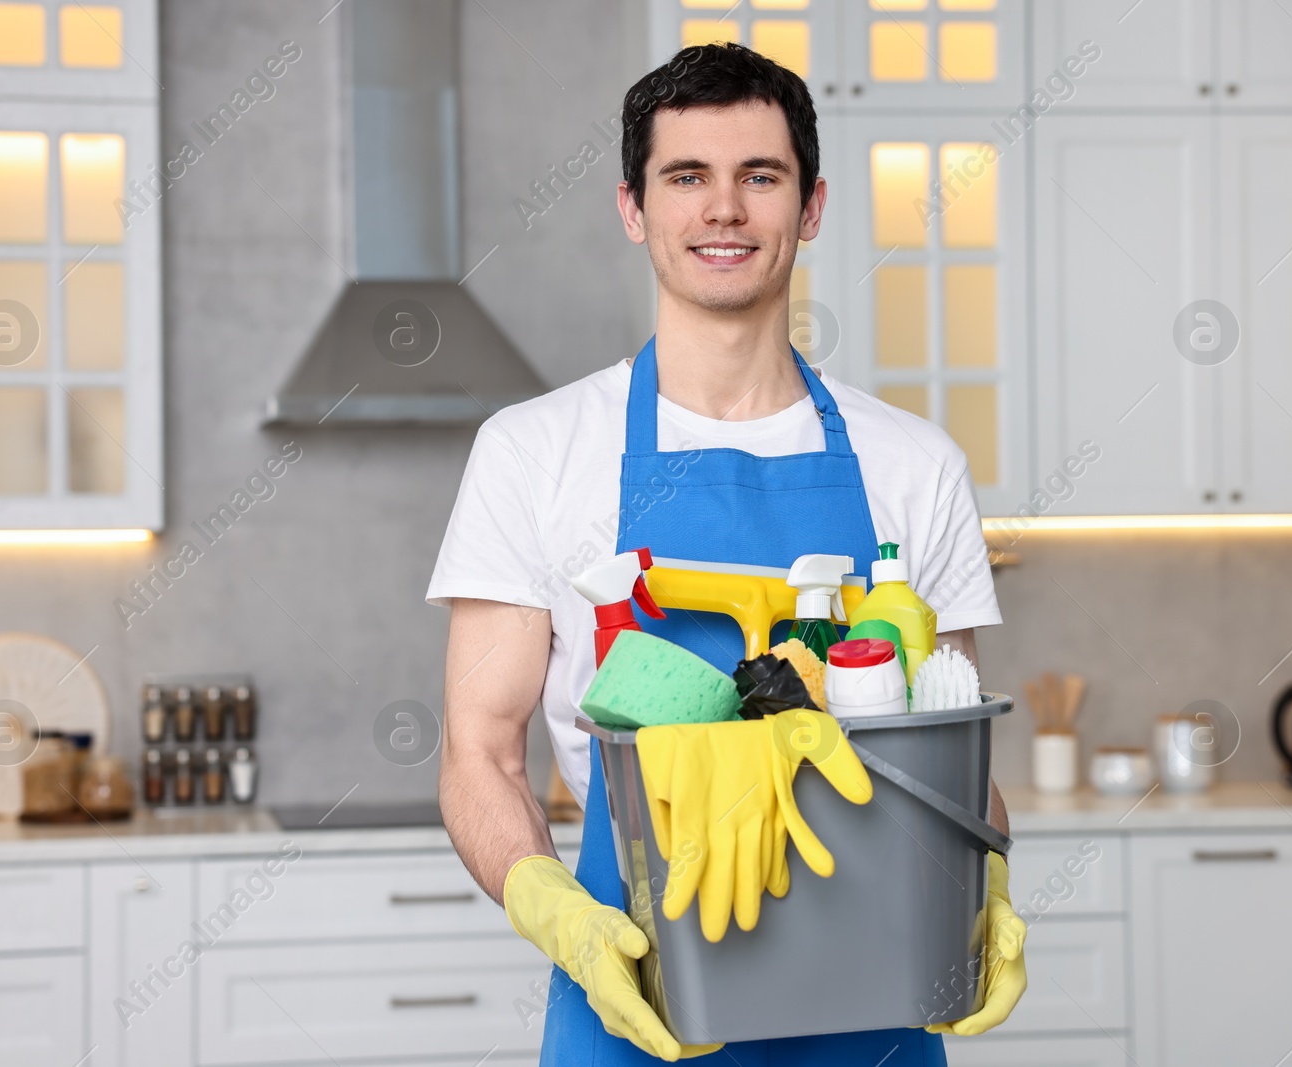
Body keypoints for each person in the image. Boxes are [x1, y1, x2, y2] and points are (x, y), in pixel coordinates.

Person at [428, 41, 1025, 1066]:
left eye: (760, 176)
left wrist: (988, 882)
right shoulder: (533, 451)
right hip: (642, 1004)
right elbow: (477, 748)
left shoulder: (914, 464)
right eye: (686, 177)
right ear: (633, 207)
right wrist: (549, 903)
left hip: (872, 1010)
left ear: (811, 205)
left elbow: (949, 744)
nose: (724, 210)